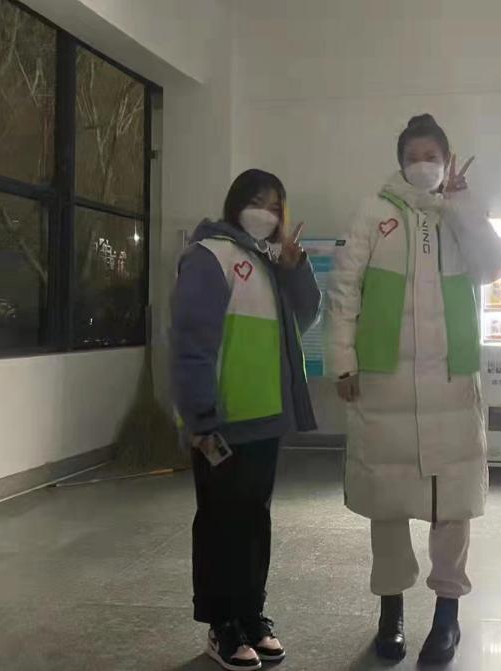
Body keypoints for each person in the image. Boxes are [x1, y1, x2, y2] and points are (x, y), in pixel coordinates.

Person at [326, 114, 501, 664]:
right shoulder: (374, 212)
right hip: (384, 385)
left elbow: (495, 267)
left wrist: (462, 205)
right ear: (400, 162)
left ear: (449, 161)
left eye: (433, 155)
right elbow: (344, 289)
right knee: (387, 504)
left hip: (452, 384)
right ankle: (391, 612)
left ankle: (447, 616)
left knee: (452, 507)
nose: (423, 164)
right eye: (414, 155)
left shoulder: (460, 211)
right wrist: (343, 362)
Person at [171, 169, 320, 671]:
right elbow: (191, 344)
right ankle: (222, 625)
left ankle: (252, 616)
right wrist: (200, 417)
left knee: (254, 521)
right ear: (235, 203)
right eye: (258, 201)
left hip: (265, 418)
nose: (267, 213)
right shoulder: (208, 256)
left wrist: (296, 268)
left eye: (276, 206)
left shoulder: (270, 262)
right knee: (220, 522)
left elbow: (306, 315)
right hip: (222, 422)